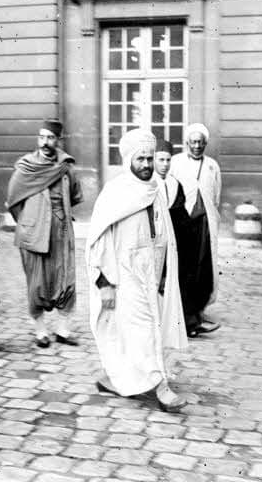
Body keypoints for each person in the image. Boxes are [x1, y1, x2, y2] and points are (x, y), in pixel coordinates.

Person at [86, 128, 188, 413]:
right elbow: (98, 241)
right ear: (128, 159)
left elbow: (164, 235)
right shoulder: (115, 193)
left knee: (139, 332)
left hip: (150, 273)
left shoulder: (155, 189)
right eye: (140, 159)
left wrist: (165, 272)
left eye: (149, 158)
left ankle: (118, 380)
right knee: (143, 332)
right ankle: (161, 387)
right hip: (123, 273)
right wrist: (104, 283)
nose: (146, 165)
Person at [6, 119, 82, 348]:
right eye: (42, 137)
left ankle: (62, 330)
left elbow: (75, 194)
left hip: (61, 230)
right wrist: (29, 221)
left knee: (65, 279)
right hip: (33, 230)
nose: (45, 142)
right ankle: (40, 332)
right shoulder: (26, 166)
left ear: (58, 140)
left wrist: (59, 216)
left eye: (50, 137)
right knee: (37, 283)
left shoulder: (66, 166)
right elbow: (13, 200)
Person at [167, 123, 222, 336]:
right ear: (187, 143)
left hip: (205, 221)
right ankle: (185, 314)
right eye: (193, 142)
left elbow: (216, 195)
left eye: (200, 142)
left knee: (203, 267)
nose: (196, 146)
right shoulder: (176, 162)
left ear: (205, 144)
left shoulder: (212, 166)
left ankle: (198, 309)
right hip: (184, 220)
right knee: (185, 266)